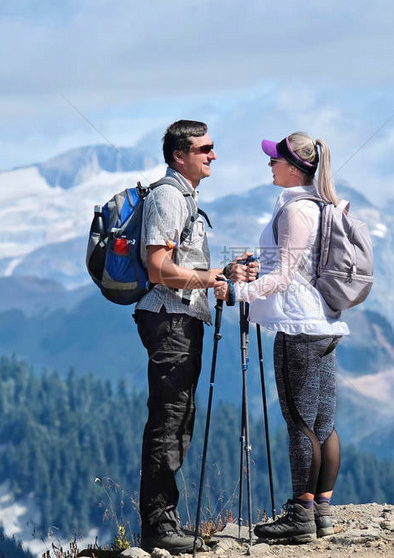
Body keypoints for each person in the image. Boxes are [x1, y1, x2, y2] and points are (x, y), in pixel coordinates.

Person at [215, 131, 349, 543]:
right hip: (325, 322)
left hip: (298, 325)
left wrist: (239, 292)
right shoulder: (323, 206)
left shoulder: (295, 211)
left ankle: (300, 514)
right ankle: (322, 511)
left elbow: (284, 276)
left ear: (294, 169)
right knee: (323, 422)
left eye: (275, 160)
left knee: (298, 421)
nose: (269, 165)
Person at [135, 120, 257, 554]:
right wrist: (213, 277)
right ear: (178, 156)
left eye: (212, 146)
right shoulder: (169, 197)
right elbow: (158, 269)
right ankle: (157, 527)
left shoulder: (186, 197)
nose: (213, 154)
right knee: (169, 421)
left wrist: (222, 276)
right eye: (204, 148)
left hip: (179, 320)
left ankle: (164, 523)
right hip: (169, 320)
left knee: (179, 419)